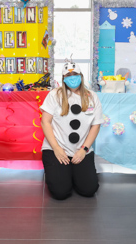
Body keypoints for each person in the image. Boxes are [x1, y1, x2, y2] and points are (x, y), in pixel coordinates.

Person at [40, 61, 102, 200]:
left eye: (75, 74)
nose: (72, 78)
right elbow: (45, 122)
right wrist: (56, 148)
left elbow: (96, 125)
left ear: (81, 76)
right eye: (68, 75)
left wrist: (84, 149)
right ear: (63, 78)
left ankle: (72, 174)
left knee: (89, 190)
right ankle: (62, 174)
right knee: (60, 192)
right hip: (56, 149)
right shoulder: (54, 95)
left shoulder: (92, 97)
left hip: (81, 150)